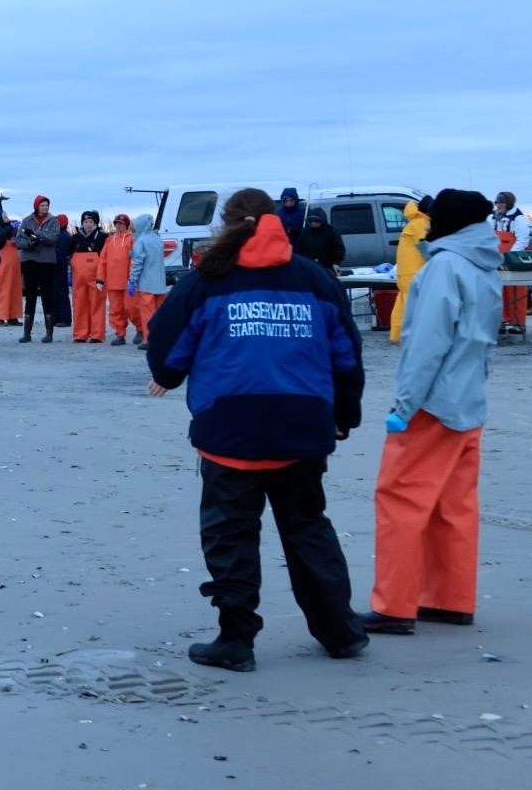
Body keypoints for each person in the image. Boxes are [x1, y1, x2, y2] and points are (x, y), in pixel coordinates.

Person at [144, 188, 368, 673]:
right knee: (308, 527)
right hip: (302, 425)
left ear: (226, 224)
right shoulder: (313, 278)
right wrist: (345, 414)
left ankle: (236, 638)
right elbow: (346, 355)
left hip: (231, 427)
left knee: (230, 534)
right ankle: (341, 633)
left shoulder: (208, 279)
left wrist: (166, 375)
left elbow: (167, 339)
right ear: (275, 219)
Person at [363, 190, 500, 635]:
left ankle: (395, 606)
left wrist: (404, 405)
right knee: (453, 505)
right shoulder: (485, 265)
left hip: (432, 404)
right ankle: (449, 598)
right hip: (469, 399)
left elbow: (426, 343)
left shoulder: (444, 266)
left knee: (400, 499)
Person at [14, 196, 61, 342]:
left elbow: (53, 238)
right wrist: (31, 243)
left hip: (47, 262)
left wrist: (38, 234)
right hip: (30, 261)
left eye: (46, 205)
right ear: (36, 206)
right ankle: (27, 333)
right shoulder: (27, 220)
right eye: (42, 205)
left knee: (48, 296)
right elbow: (18, 240)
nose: (45, 208)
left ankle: (49, 333)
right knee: (30, 296)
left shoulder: (54, 221)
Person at [488, 192, 532, 335]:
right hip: (496, 256)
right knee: (497, 291)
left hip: (513, 258)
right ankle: (500, 321)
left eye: (501, 202)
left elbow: (522, 240)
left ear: (508, 202)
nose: (498, 205)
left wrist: (509, 256)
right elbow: (488, 236)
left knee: (516, 290)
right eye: (496, 202)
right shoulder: (492, 218)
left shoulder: (519, 219)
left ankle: (518, 323)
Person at [386, 198, 430, 343]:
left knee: (402, 304)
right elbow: (428, 250)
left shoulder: (414, 223)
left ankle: (397, 335)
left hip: (405, 272)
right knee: (416, 306)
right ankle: (416, 337)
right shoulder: (421, 225)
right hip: (414, 272)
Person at [66, 212, 108, 342]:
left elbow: (106, 257)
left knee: (97, 304)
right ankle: (80, 334)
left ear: (95, 223)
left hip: (97, 276)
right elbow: (68, 255)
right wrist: (72, 264)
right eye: (85, 222)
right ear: (82, 223)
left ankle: (97, 334)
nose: (88, 224)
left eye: (90, 222)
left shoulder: (102, 237)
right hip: (79, 277)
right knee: (79, 305)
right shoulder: (75, 237)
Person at [126, 213, 167, 347]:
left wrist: (132, 280)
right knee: (159, 314)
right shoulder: (157, 239)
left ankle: (149, 340)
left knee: (148, 314)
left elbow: (137, 263)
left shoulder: (141, 241)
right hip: (160, 284)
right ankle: (160, 338)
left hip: (147, 284)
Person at [99, 214, 134, 345]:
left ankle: (141, 329)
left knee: (132, 308)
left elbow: (134, 259)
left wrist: (133, 277)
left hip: (128, 281)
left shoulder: (132, 239)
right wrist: (100, 279)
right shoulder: (109, 241)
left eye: (121, 223)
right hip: (113, 282)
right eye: (117, 223)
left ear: (126, 225)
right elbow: (102, 260)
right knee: (115, 309)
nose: (118, 226)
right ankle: (120, 334)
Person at [0, 211, 22, 327]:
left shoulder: (9, 230)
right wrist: (9, 228)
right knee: (4, 290)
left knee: (15, 290)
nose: (7, 218)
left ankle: (13, 316)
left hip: (14, 265)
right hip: (3, 265)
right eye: (5, 217)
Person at [294, 206, 347, 271]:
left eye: (317, 221)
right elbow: (299, 249)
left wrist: (336, 262)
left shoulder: (331, 231)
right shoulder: (304, 232)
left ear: (322, 220)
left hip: (327, 266)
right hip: (309, 266)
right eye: (311, 220)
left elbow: (339, 248)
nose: (314, 223)